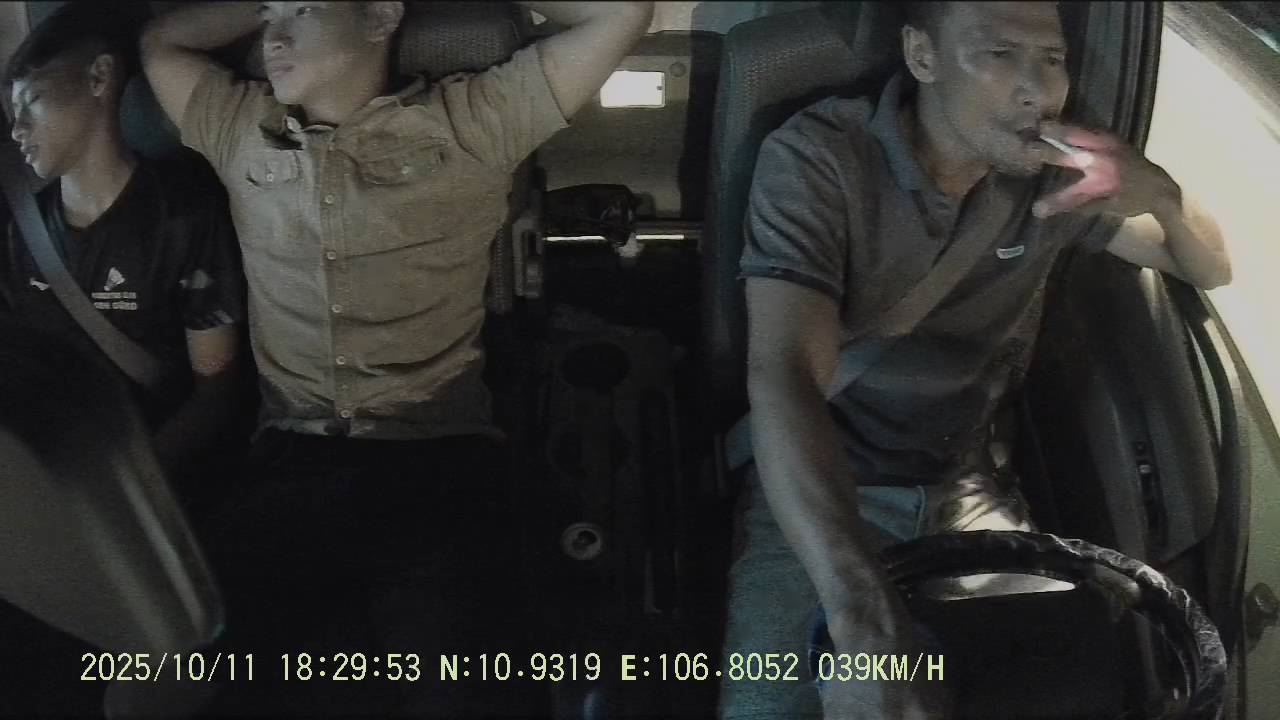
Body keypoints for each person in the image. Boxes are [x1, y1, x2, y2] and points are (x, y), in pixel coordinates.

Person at [137, 1, 654, 716]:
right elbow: (161, 43)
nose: (274, 36)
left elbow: (624, 13)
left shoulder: (471, 121)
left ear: (381, 17)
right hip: (290, 458)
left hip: (433, 461)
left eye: (303, 9)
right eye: (268, 14)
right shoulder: (241, 127)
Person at [722, 2, 1232, 718]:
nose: (1037, 88)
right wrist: (862, 611)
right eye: (999, 54)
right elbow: (786, 375)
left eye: (1052, 59)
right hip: (824, 490)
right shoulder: (821, 158)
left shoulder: (1054, 177)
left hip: (966, 486)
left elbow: (1210, 269)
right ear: (922, 57)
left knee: (1073, 694)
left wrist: (1166, 197)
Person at [1, 3, 246, 490]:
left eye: (32, 101)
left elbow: (216, 392)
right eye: (12, 112)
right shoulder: (20, 229)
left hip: (148, 470)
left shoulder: (182, 215)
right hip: (45, 464)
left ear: (99, 76)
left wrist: (129, 484)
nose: (17, 128)